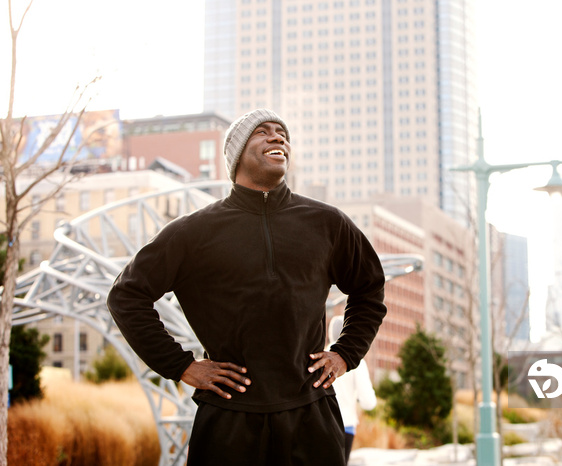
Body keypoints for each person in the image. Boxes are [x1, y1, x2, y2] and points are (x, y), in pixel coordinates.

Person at [107, 108, 387, 465]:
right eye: (263, 132)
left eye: (282, 133)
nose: (277, 138)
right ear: (237, 153)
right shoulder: (193, 232)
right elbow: (125, 295)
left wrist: (346, 353)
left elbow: (369, 288)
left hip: (311, 414)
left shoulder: (327, 224)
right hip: (228, 419)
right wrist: (181, 366)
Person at [327, 315, 378, 465]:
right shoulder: (356, 362)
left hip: (319, 424)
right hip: (345, 426)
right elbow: (368, 402)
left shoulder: (319, 357)